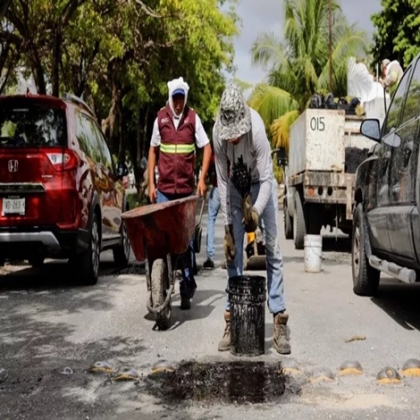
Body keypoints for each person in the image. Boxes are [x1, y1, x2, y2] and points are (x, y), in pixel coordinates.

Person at [212, 83, 291, 355]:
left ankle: (279, 319)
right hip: (235, 187)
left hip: (261, 185)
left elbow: (268, 179)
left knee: (273, 248)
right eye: (229, 134)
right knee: (233, 254)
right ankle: (231, 320)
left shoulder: (256, 129)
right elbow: (222, 182)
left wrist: (255, 210)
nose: (232, 138)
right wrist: (227, 228)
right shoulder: (218, 135)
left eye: (236, 134)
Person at [147, 77, 212, 310]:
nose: (177, 103)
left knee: (185, 241)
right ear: (170, 97)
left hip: (185, 192)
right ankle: (158, 280)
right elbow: (153, 150)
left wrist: (202, 178)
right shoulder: (160, 119)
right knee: (162, 238)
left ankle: (186, 288)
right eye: (174, 98)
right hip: (164, 190)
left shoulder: (193, 118)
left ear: (185, 99)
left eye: (181, 99)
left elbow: (207, 147)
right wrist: (151, 184)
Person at [203, 150, 220, 269]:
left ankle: (210, 256)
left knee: (211, 220)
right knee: (233, 220)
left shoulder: (216, 151)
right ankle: (234, 255)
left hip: (218, 187)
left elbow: (209, 160)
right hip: (230, 188)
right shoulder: (234, 145)